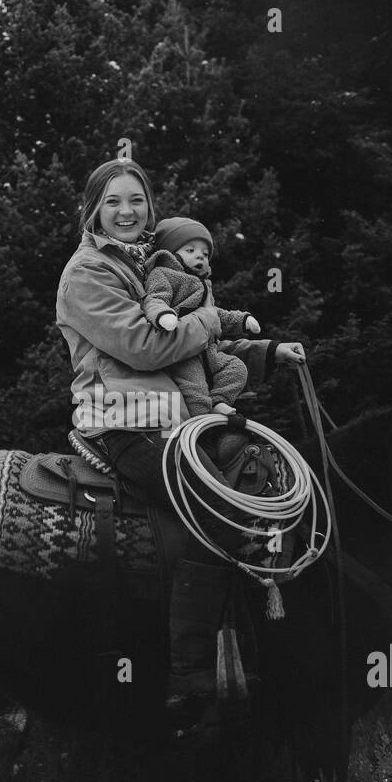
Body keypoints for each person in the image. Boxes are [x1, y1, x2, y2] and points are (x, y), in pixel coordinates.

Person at [55, 158, 306, 720]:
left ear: (150, 207)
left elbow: (192, 350)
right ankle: (190, 676)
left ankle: (245, 652)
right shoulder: (87, 274)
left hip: (173, 418)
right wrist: (216, 319)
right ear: (94, 209)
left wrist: (265, 354)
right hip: (124, 418)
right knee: (215, 511)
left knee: (255, 480)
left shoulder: (147, 265)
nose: (127, 212)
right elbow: (147, 347)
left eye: (137, 200)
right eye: (114, 201)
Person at [140, 216, 260, 418]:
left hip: (209, 350)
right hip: (184, 351)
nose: (200, 257)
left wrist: (242, 320)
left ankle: (219, 401)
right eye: (190, 251)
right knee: (194, 389)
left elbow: (214, 315)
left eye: (205, 254)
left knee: (237, 369)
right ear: (170, 252)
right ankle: (200, 425)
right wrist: (162, 315)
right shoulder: (163, 274)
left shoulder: (203, 284)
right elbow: (154, 299)